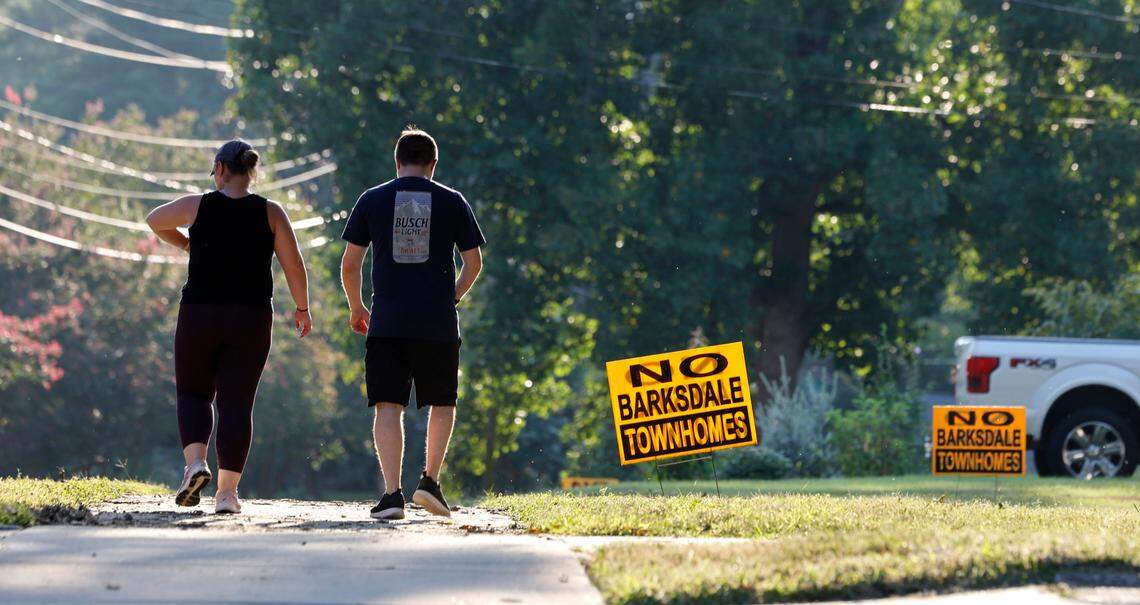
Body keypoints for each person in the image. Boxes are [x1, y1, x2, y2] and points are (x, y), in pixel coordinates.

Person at [146, 139, 313, 514]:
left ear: (220, 169)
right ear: (251, 171)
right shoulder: (270, 212)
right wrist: (302, 308)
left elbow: (154, 220)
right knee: (237, 404)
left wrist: (186, 244)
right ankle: (226, 495)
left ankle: (195, 464)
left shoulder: (197, 205)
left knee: (194, 393)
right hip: (251, 317)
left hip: (199, 313)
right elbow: (294, 265)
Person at [340, 127, 485, 520]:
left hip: (387, 323)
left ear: (397, 161)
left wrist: (356, 308)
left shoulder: (372, 199)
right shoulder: (453, 201)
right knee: (443, 401)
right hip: (438, 324)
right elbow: (473, 263)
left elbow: (350, 264)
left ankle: (392, 496)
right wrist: (452, 298)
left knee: (388, 405)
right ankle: (430, 482)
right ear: (433, 164)